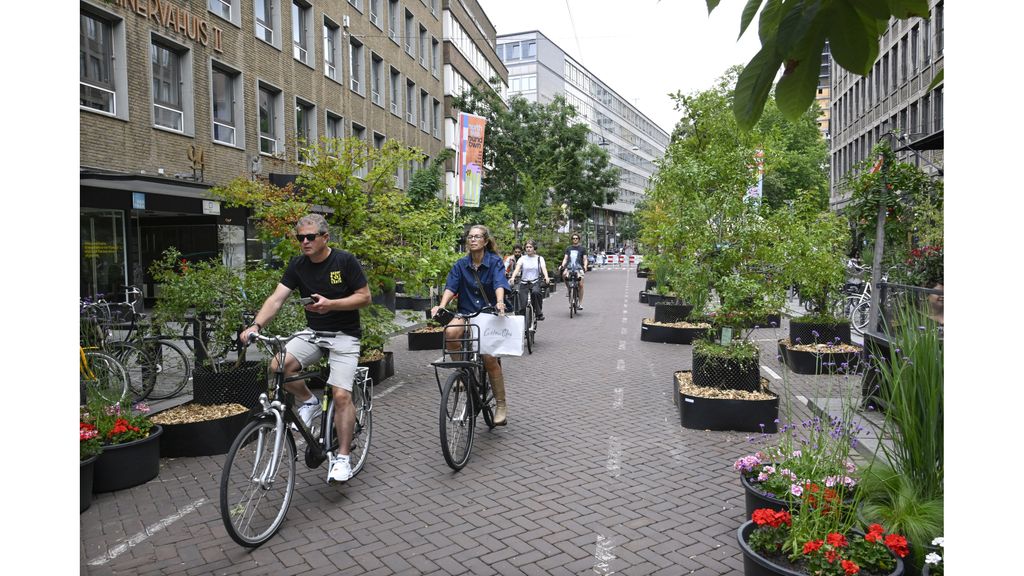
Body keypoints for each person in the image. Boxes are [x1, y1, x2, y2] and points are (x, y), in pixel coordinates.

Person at [239, 214, 371, 483]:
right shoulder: (298, 265)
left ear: (325, 237)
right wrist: (256, 326)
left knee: (341, 395)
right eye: (301, 238)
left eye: (311, 237)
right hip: (314, 333)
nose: (305, 242)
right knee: (278, 366)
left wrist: (331, 304)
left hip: (345, 336)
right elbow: (276, 299)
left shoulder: (344, 261)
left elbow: (364, 297)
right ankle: (310, 401)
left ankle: (343, 458)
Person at [430, 225, 512, 425]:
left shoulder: (494, 263)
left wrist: (499, 301)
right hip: (466, 312)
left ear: (485, 241)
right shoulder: (460, 264)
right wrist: (441, 306)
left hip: (488, 312)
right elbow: (451, 287)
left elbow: (499, 283)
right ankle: (463, 372)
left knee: (488, 357)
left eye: (477, 237)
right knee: (450, 332)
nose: (473, 240)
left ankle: (501, 405)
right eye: (470, 237)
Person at [510, 240, 551, 321]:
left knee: (536, 293)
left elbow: (543, 268)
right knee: (523, 303)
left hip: (535, 281)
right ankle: (522, 321)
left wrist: (546, 276)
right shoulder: (522, 258)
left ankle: (539, 313)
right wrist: (513, 277)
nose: (528, 249)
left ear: (534, 248)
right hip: (524, 282)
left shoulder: (539, 258)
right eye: (527, 247)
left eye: (530, 247)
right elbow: (517, 268)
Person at [560, 233, 589, 310]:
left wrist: (585, 266)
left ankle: (579, 303)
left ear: (579, 239)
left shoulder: (582, 249)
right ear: (572, 239)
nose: (575, 239)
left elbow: (585, 259)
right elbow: (565, 258)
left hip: (579, 268)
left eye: (576, 238)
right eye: (573, 238)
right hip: (569, 267)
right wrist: (562, 265)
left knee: (581, 285)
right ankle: (568, 288)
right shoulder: (568, 248)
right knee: (564, 274)